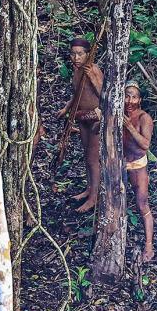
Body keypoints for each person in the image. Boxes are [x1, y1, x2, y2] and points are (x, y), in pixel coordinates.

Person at [57, 37, 104, 212]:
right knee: (87, 156)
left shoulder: (93, 70)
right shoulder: (77, 71)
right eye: (73, 54)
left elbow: (104, 94)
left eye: (80, 54)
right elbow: (78, 93)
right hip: (82, 118)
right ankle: (89, 189)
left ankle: (94, 197)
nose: (76, 58)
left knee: (93, 159)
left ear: (88, 54)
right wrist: (66, 108)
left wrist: (92, 77)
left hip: (95, 118)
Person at [122, 81, 156, 262]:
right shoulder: (118, 113)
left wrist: (129, 127)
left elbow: (145, 144)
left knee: (142, 204)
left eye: (134, 97)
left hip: (137, 165)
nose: (130, 101)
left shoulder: (144, 118)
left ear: (140, 100)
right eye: (127, 96)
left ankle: (149, 245)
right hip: (119, 164)